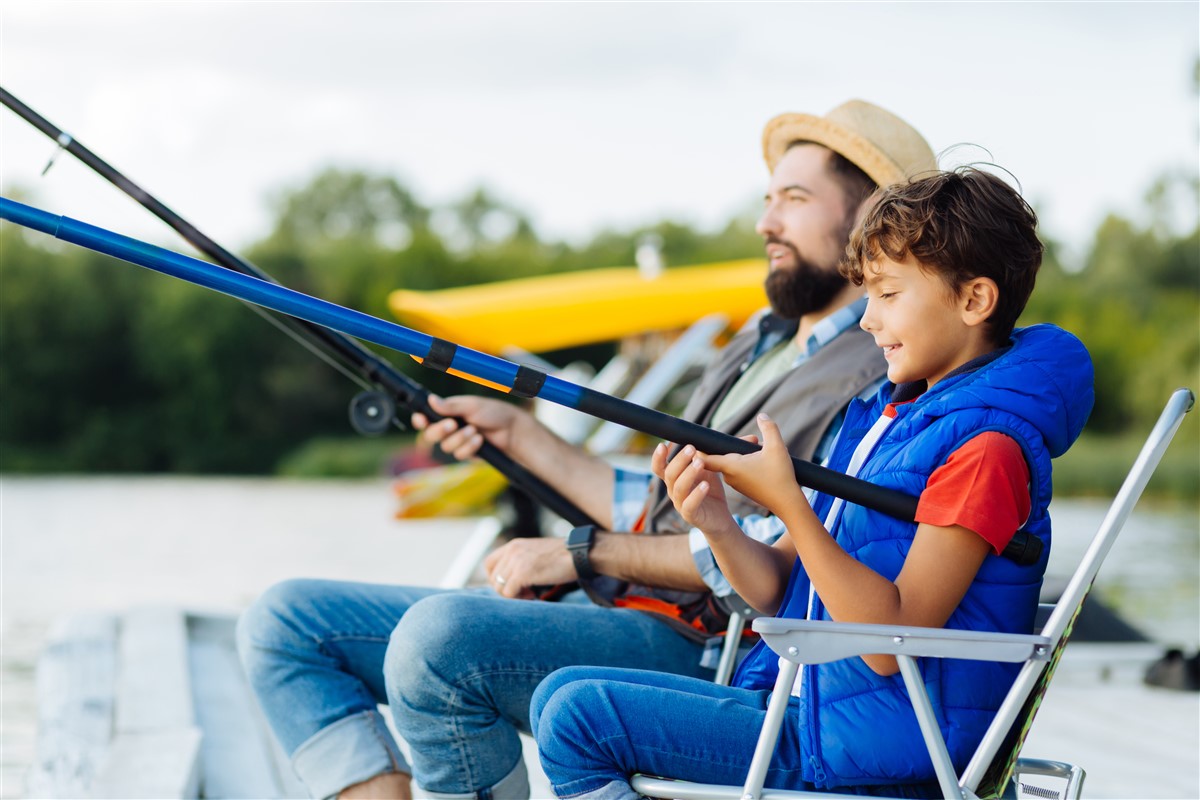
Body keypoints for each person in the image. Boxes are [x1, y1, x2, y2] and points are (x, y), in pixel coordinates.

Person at [236, 100, 937, 800]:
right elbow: (666, 508)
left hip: (708, 648)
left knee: (437, 640)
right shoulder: (764, 340)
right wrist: (521, 437)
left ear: (870, 214)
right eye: (767, 199)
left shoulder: (880, 367)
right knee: (286, 624)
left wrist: (580, 551)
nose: (766, 223)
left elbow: (775, 557)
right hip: (625, 611)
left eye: (794, 198)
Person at [531, 167, 1095, 798]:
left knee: (579, 717)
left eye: (887, 295)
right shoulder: (890, 420)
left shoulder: (987, 452)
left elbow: (889, 644)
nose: (866, 321)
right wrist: (715, 521)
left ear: (974, 301)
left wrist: (790, 504)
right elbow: (778, 588)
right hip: (813, 712)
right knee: (559, 692)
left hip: (880, 753)